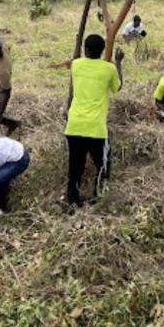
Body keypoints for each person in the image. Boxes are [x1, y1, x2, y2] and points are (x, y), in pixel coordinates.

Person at [64, 34, 124, 207]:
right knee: (103, 165)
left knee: (75, 167)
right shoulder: (109, 69)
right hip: (96, 128)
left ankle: (73, 200)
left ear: (85, 49)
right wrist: (118, 63)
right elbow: (117, 87)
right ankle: (99, 197)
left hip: (74, 125)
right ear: (103, 50)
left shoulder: (76, 65)